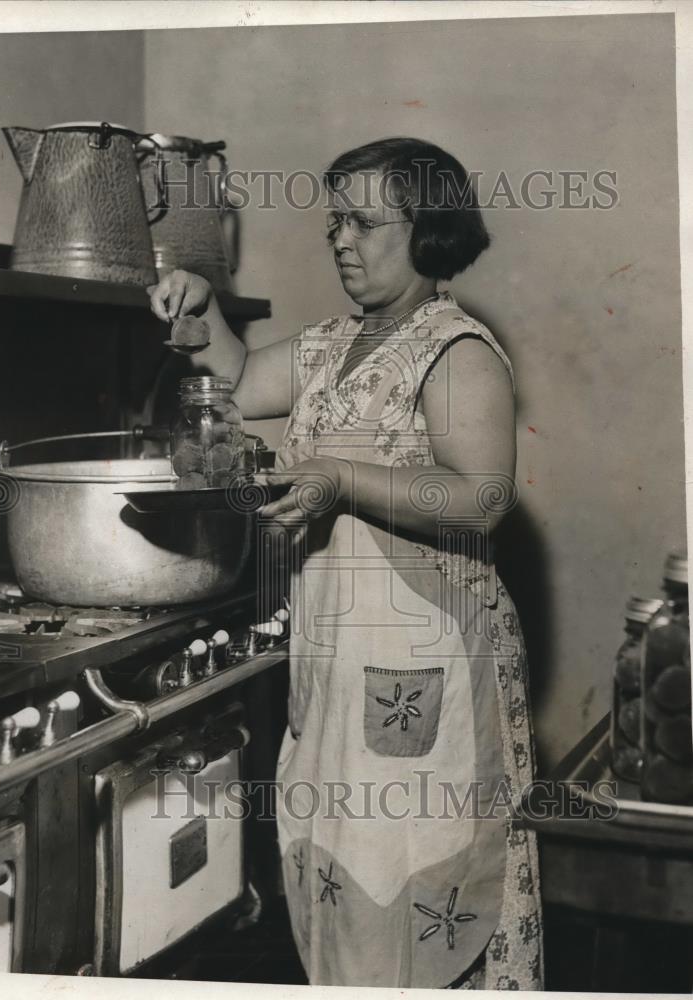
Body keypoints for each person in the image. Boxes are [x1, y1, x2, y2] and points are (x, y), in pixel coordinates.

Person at [148, 137, 542, 990]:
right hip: (345, 657)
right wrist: (200, 309)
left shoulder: (454, 349)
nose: (340, 240)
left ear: (428, 231)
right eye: (336, 221)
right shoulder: (336, 345)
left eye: (363, 222)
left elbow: (481, 496)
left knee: (422, 883)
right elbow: (245, 375)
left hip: (429, 659)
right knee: (348, 879)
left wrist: (338, 478)